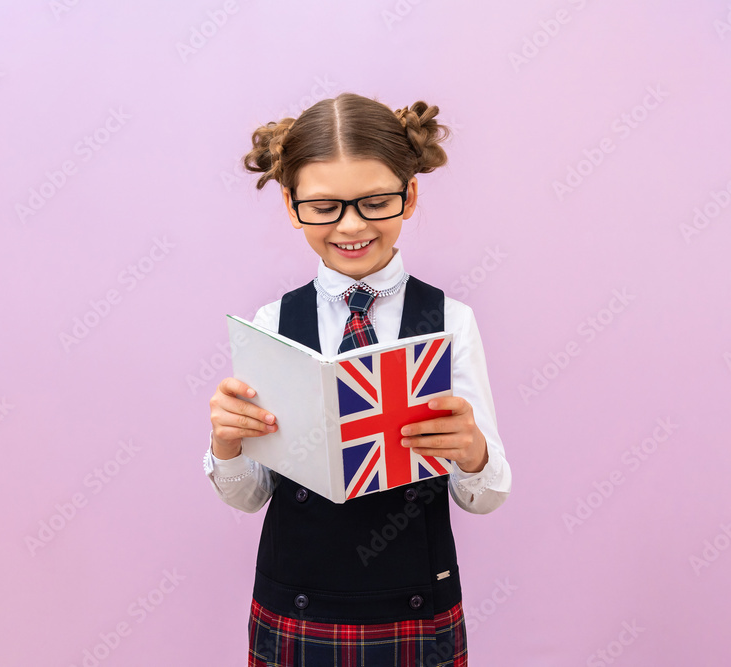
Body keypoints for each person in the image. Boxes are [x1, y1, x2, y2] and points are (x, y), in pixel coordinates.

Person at [203, 91, 513, 667]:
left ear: (410, 195)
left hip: (416, 610)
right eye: (324, 207)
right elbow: (249, 496)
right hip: (294, 610)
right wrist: (227, 443)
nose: (350, 226)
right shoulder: (273, 325)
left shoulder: (449, 322)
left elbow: (486, 496)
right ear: (292, 206)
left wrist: (472, 454)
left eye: (374, 202)